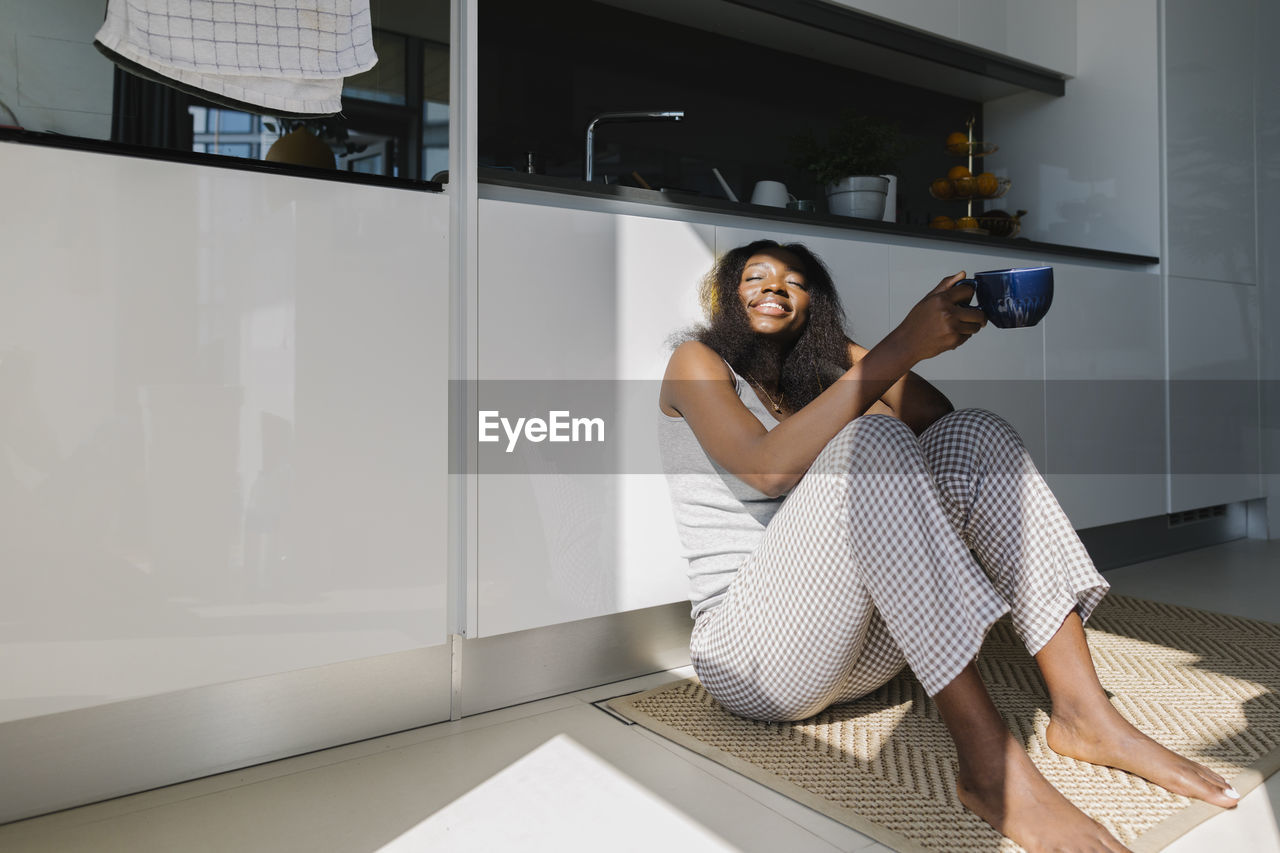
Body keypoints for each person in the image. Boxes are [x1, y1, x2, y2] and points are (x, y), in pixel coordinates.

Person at [657, 239, 1240, 853]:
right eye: (756, 276)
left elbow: (938, 419)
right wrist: (898, 346)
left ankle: (1085, 714)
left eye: (797, 282)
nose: (776, 286)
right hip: (755, 661)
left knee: (977, 432)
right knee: (871, 444)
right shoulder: (697, 362)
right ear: (727, 296)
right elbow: (764, 470)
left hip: (857, 656)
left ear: (815, 304)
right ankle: (990, 767)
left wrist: (845, 352)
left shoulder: (819, 375)